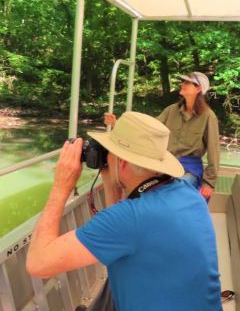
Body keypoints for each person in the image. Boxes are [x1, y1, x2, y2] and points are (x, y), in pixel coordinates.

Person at [27, 111, 222, 311]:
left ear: (122, 162)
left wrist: (61, 186)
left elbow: (38, 264)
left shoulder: (132, 218)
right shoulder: (187, 192)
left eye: (109, 153)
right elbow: (123, 234)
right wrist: (109, 179)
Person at [104, 72, 220, 199]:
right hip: (165, 164)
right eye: (183, 81)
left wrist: (208, 183)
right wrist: (117, 123)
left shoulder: (209, 116)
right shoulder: (171, 110)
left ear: (198, 88)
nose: (183, 84)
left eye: (187, 82)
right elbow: (148, 129)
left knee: (173, 190)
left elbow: (214, 151)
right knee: (140, 188)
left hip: (189, 169)